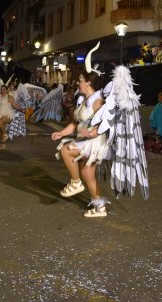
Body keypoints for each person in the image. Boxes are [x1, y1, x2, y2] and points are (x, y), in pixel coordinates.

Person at [51, 71, 108, 217]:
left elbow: (104, 125)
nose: (78, 82)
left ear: (89, 82)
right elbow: (75, 124)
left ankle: (75, 183)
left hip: (94, 143)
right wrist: (62, 133)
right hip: (84, 140)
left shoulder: (98, 102)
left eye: (80, 80)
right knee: (88, 174)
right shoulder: (84, 100)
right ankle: (100, 207)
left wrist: (90, 133)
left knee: (66, 149)